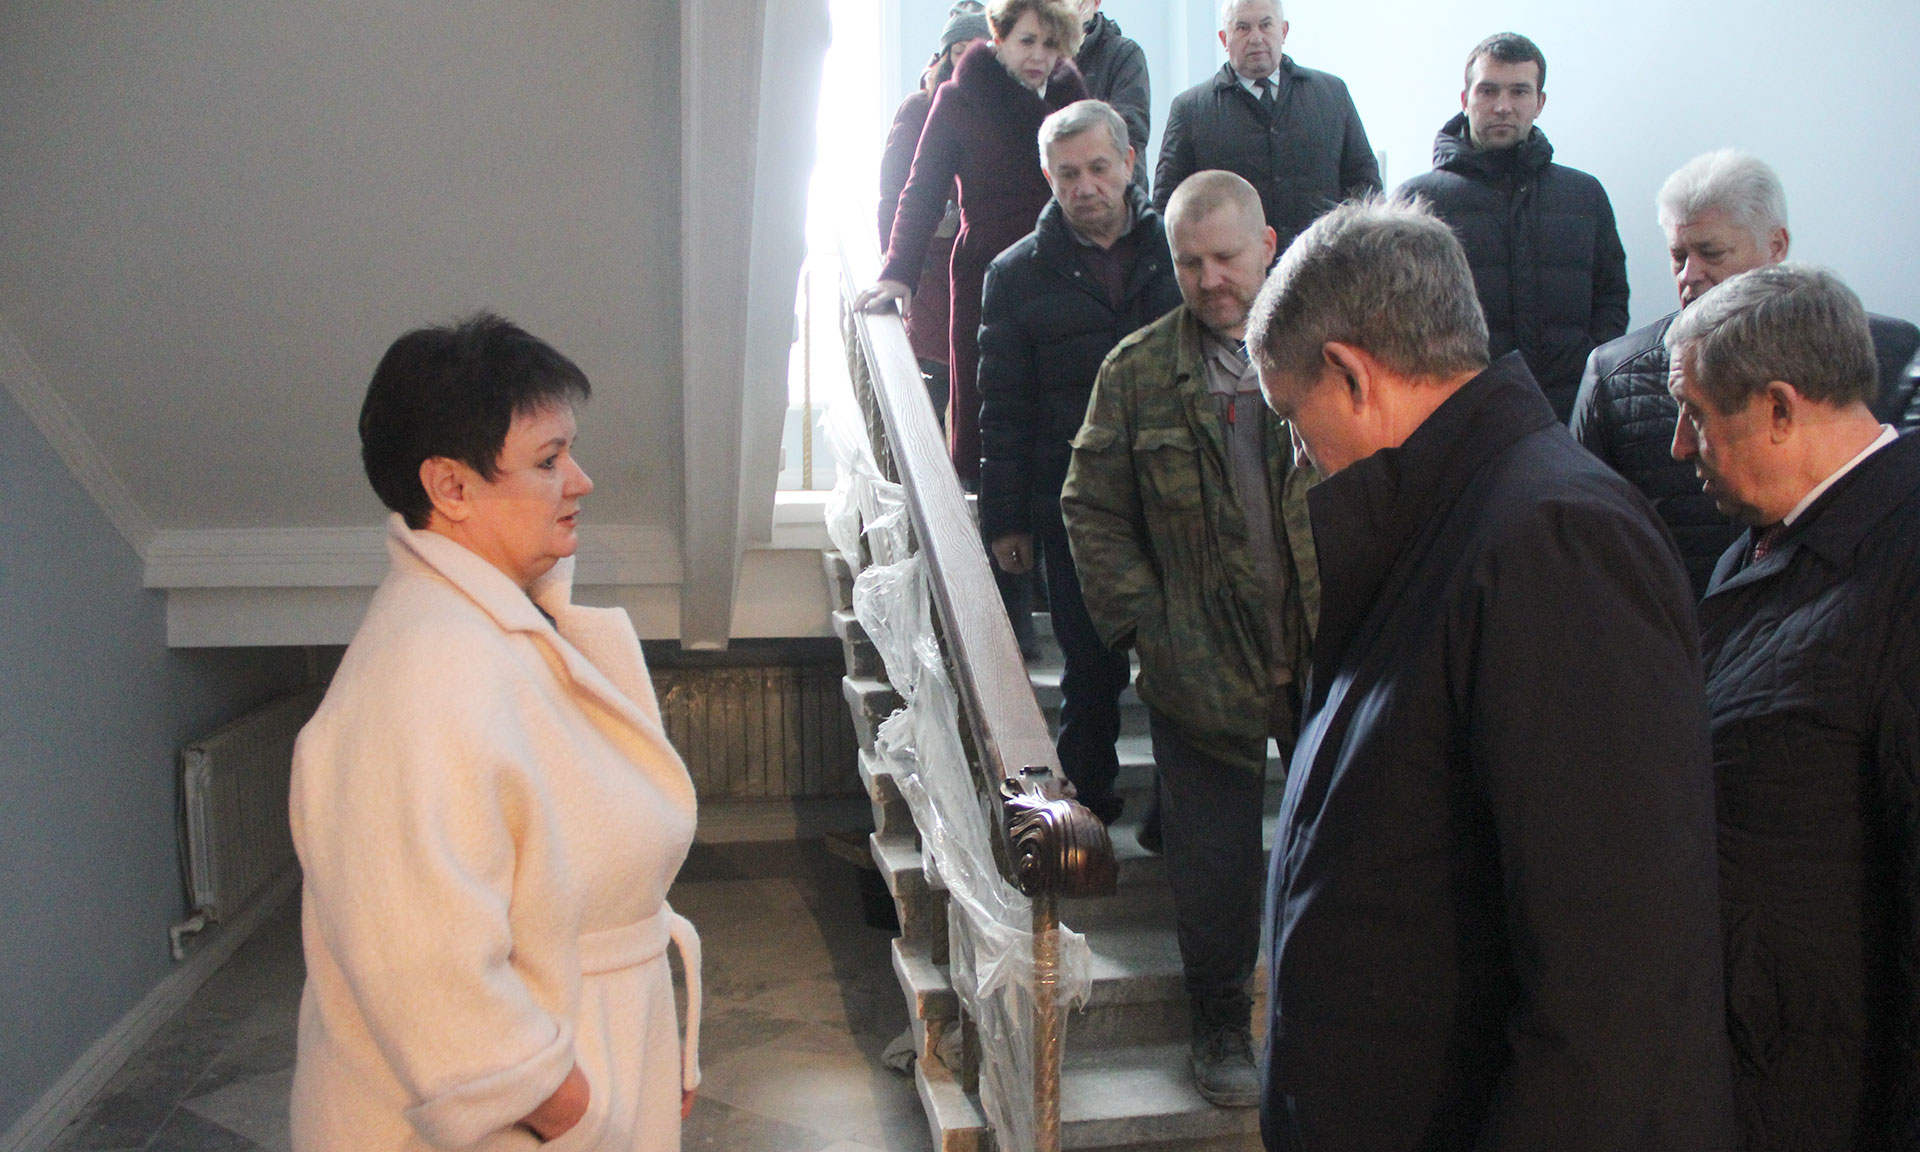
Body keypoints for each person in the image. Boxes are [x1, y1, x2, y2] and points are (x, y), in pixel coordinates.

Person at [1245, 197, 1732, 1150]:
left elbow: (1612, 981)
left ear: (1351, 374)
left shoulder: (1552, 538)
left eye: (1295, 423)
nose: (1303, 459)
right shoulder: (1448, 525)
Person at [290, 314, 701, 1151]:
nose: (581, 480)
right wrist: (574, 1111)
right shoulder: (423, 674)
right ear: (451, 487)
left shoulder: (495, 631)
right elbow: (422, 965)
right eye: (549, 461)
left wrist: (645, 1048)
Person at [1062, 170, 1315, 1107]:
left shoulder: (1328, 354)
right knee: (1214, 868)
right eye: (1188, 262)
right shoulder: (1135, 372)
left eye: (1226, 258)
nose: (1210, 280)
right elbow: (1091, 508)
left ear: (1268, 245)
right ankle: (1219, 1024)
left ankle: (1334, 1017)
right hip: (1197, 667)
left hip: (1326, 654)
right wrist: (1148, 625)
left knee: (1348, 849)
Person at [1665, 263, 1920, 1149]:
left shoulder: (1902, 566)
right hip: (1758, 1061)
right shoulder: (1760, 543)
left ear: (1780, 407)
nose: (1679, 447)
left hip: (1836, 1092)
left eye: (1696, 414)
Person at [1572, 149, 1920, 596]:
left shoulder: (1887, 353)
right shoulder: (1614, 376)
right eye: (1678, 256)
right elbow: (1582, 542)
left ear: (1776, 246)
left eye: (1711, 252)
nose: (1689, 275)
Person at [978, 100, 1180, 825]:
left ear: (1129, 162)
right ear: (1047, 177)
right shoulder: (1015, 275)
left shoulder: (1179, 253)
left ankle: (1173, 819)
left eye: (1098, 168)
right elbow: (1003, 409)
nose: (1085, 186)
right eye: (1067, 174)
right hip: (1075, 509)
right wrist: (1006, 520)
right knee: (1090, 671)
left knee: (1181, 667)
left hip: (1178, 499)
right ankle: (1086, 820)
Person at [857, 0, 1088, 489]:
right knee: (985, 416)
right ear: (999, 37)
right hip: (985, 276)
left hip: (1063, 274)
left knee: (1062, 419)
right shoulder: (959, 98)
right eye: (1027, 40)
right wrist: (898, 270)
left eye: (1051, 44)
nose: (1039, 55)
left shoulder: (1070, 95)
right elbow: (921, 189)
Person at [1396, 32, 1629, 422]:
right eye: (1488, 91)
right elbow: (1396, 318)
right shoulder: (1417, 201)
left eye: (1519, 92)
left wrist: (1588, 373)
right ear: (1465, 99)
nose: (1503, 106)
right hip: (1460, 418)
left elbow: (1611, 298)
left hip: (1570, 415)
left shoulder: (1584, 196)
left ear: (1539, 103)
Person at [1152, 0, 1379, 254]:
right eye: (1242, 28)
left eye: (1265, 25)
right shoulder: (1191, 110)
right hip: (1232, 270)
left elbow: (1366, 187)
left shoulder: (1331, 94)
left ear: (1283, 31)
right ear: (1224, 39)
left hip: (1322, 265)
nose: (1256, 38)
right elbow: (1167, 206)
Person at [877, 8, 993, 427]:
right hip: (929, 273)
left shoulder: (998, 111)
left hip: (978, 268)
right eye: (959, 50)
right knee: (929, 401)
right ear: (944, 56)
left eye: (977, 50)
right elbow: (896, 195)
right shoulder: (917, 110)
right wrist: (897, 262)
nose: (966, 60)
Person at [1072, 0, 1150, 190]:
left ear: (1095, 3)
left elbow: (1129, 132)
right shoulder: (1037, 57)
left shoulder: (1124, 54)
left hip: (1114, 192)